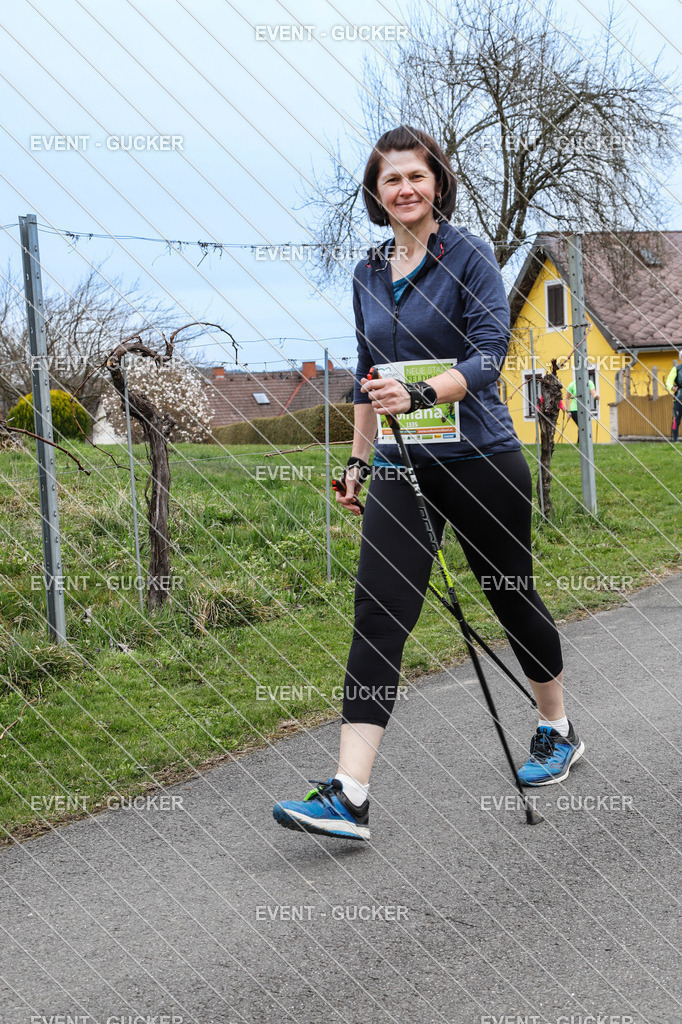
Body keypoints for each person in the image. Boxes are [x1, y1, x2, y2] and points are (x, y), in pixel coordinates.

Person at [273, 126, 583, 842]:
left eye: (416, 176)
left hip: (480, 459)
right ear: (376, 195)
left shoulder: (469, 254)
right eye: (391, 181)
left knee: (511, 597)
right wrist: (357, 460)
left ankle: (556, 725)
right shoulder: (367, 272)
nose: (405, 189)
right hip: (401, 465)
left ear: (437, 182)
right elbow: (365, 376)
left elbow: (487, 356)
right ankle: (350, 794)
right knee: (379, 611)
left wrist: (423, 396)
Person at [665, 353, 682, 441]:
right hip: (679, 396)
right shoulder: (676, 369)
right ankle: (675, 440)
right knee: (677, 418)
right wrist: (672, 387)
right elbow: (668, 381)